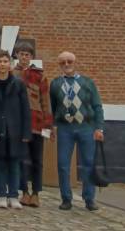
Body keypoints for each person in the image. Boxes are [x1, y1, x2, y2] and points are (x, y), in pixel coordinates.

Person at [50, 51, 104, 212]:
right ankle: (66, 199)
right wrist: (52, 126)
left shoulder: (88, 83)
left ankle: (89, 199)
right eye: (63, 62)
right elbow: (53, 107)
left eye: (69, 61)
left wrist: (99, 128)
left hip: (86, 127)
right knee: (63, 164)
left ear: (75, 62)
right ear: (59, 65)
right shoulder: (56, 84)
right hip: (65, 128)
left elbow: (97, 106)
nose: (66, 65)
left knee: (88, 163)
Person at [0, 49, 31, 209]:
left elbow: (25, 109)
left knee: (15, 164)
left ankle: (14, 195)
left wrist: (26, 132)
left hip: (15, 130)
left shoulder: (18, 84)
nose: (2, 65)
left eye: (5, 61)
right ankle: (1, 194)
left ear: (10, 64)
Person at [14, 42, 52, 207]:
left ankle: (36, 193)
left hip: (37, 123)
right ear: (17, 55)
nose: (24, 57)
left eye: (27, 55)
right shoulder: (11, 73)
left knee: (37, 160)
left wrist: (48, 125)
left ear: (31, 57)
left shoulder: (40, 76)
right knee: (21, 159)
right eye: (21, 54)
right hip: (19, 124)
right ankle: (24, 192)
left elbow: (45, 102)